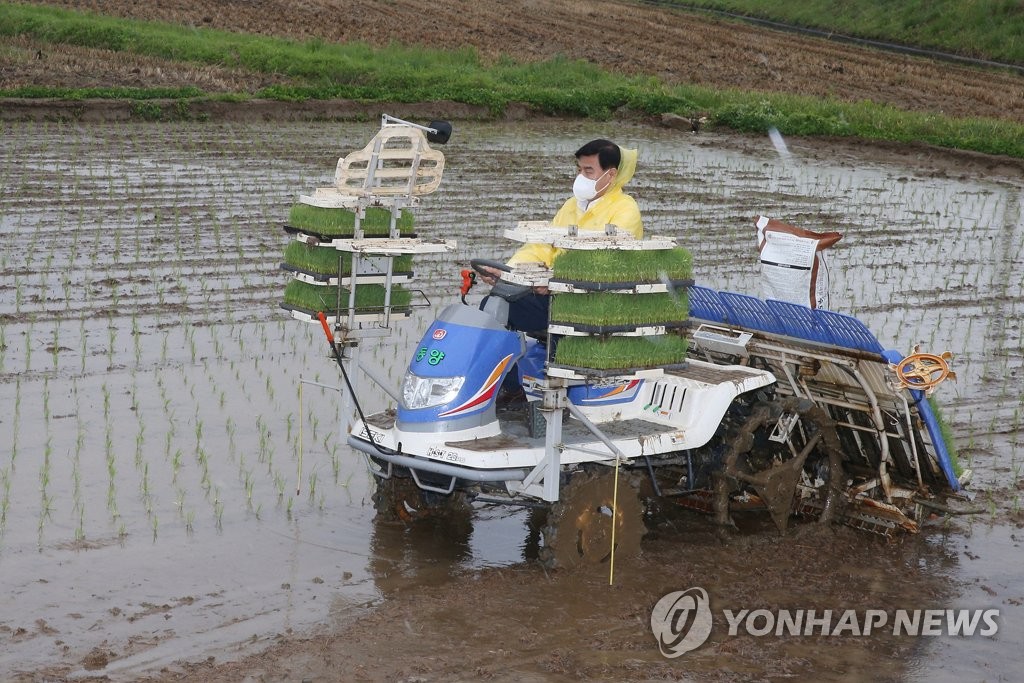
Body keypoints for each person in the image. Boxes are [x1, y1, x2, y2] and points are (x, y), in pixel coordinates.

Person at [481, 139, 643, 334]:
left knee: (509, 308)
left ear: (611, 174)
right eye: (579, 170)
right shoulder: (571, 205)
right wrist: (510, 273)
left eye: (588, 171)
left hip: (593, 302)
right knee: (494, 301)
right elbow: (542, 247)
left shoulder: (625, 209)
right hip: (558, 293)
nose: (581, 176)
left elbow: (606, 262)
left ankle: (557, 357)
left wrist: (553, 282)